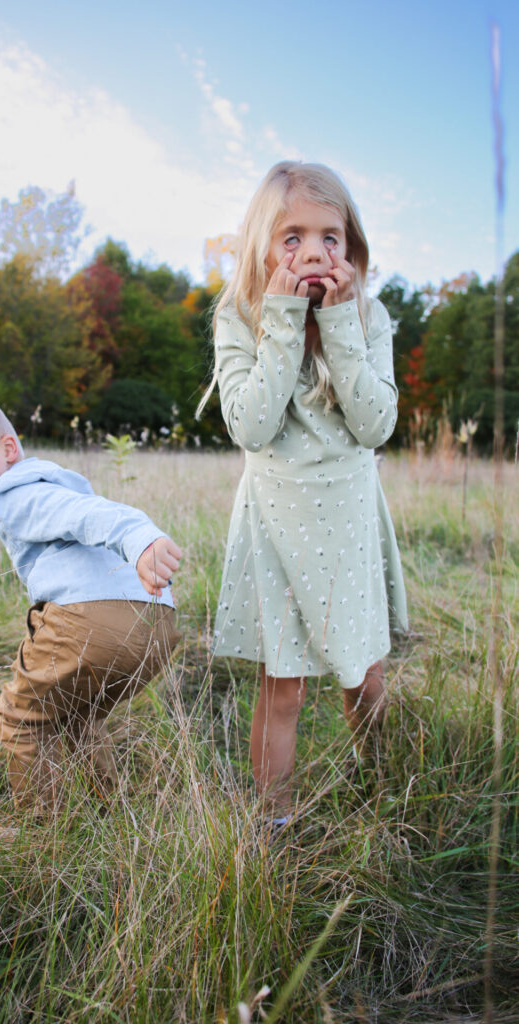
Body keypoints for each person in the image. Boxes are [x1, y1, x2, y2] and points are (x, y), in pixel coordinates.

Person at [199, 161, 407, 825]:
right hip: (275, 519)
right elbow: (250, 425)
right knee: (281, 684)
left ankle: (380, 788)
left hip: (346, 514)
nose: (313, 251)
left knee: (363, 674)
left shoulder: (367, 316)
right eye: (291, 237)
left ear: (351, 248)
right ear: (262, 246)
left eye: (329, 237)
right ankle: (274, 820)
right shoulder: (239, 316)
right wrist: (285, 318)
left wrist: (340, 325)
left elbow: (375, 423)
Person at [0, 386, 181, 816]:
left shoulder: (15, 492)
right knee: (73, 716)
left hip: (93, 621)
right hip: (154, 626)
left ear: (8, 449)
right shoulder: (52, 480)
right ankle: (104, 812)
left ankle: (44, 827)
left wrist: (139, 536)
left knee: (19, 715)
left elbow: (87, 516)